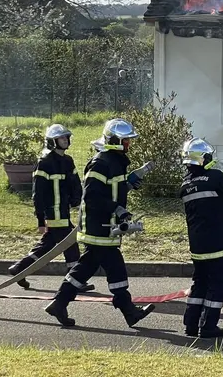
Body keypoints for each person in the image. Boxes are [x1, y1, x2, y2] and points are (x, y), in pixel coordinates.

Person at [43, 118, 155, 328]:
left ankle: (59, 303)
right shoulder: (101, 163)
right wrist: (118, 209)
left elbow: (110, 191)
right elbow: (92, 197)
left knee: (84, 269)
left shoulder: (115, 162)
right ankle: (129, 312)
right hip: (98, 228)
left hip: (105, 227)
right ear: (115, 140)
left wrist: (129, 184)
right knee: (117, 270)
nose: (129, 145)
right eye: (126, 141)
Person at [7, 125, 93, 292]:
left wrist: (77, 197)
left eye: (67, 137)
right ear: (52, 141)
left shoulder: (68, 161)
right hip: (52, 214)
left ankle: (19, 268)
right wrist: (40, 219)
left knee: (47, 246)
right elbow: (37, 194)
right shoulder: (44, 163)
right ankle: (73, 281)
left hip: (64, 212)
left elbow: (75, 183)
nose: (66, 140)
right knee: (71, 246)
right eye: (62, 138)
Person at [179, 137, 223, 338]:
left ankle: (191, 325)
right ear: (204, 158)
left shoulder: (185, 184)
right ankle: (208, 326)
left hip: (197, 245)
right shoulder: (216, 177)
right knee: (217, 284)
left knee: (199, 282)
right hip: (217, 243)